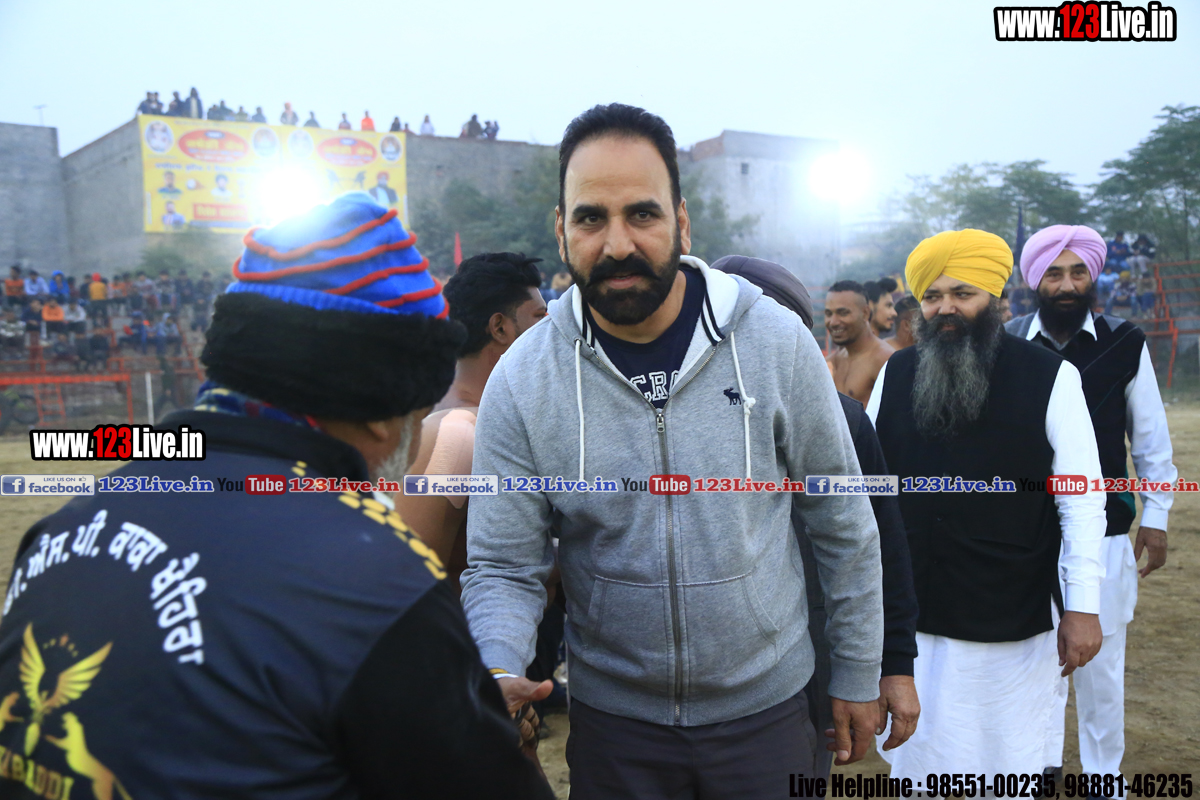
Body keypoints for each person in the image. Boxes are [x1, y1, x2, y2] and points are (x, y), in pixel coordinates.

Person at [0, 191, 554, 800]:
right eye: (418, 415)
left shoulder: (58, 534)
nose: (417, 435)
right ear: (382, 412)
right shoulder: (372, 581)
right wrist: (474, 716)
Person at [460, 104, 884, 799]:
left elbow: (843, 521)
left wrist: (861, 671)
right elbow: (504, 563)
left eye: (642, 214)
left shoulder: (774, 342)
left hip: (767, 713)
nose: (617, 243)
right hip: (616, 728)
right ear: (561, 228)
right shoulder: (523, 377)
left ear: (682, 223)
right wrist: (499, 665)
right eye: (591, 218)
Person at [866, 228, 1105, 778]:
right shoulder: (897, 373)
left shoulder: (1052, 376)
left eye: (962, 293)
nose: (945, 308)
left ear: (996, 298)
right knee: (919, 764)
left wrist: (1083, 606)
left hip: (1011, 613)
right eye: (932, 296)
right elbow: (870, 491)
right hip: (913, 611)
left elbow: (1082, 501)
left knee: (1007, 763)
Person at [713, 255, 921, 779]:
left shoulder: (845, 422)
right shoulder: (675, 420)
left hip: (814, 653)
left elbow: (879, 546)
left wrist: (893, 666)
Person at [1007, 224, 1177, 784]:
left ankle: (1105, 780)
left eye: (1078, 272)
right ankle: (1037, 772)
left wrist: (1155, 516)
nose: (1066, 285)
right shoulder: (1006, 342)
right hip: (1020, 536)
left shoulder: (1125, 341)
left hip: (1103, 533)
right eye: (1054, 273)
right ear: (1035, 280)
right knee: (1031, 667)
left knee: (1101, 670)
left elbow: (1150, 440)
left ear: (1094, 275)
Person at [398, 252, 548, 580]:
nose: (551, 332)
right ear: (500, 328)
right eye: (540, 317)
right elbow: (405, 579)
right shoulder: (460, 432)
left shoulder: (441, 407)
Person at [824, 280, 894, 401]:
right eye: (829, 314)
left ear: (865, 313)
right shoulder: (831, 362)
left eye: (843, 313)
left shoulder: (885, 360)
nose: (833, 322)